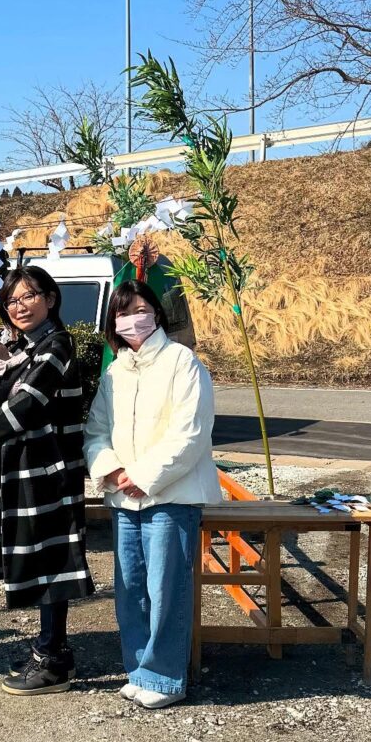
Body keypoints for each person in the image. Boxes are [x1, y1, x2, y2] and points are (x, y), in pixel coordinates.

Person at [83, 279, 222, 709]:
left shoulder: (183, 362)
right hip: (125, 496)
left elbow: (191, 431)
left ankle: (166, 677)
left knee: (167, 588)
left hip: (171, 495)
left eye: (141, 309)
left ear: (156, 314)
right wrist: (114, 469)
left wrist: (145, 474)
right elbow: (96, 431)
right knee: (131, 588)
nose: (132, 319)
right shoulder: (115, 370)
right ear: (114, 322)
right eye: (123, 313)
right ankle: (140, 668)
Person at [0, 266, 94, 695]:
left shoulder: (55, 346)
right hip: (29, 467)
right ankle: (48, 649)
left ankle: (54, 660)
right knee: (41, 558)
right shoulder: (26, 349)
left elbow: (28, 404)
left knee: (51, 561)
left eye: (28, 297)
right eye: (12, 300)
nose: (19, 306)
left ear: (51, 298)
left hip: (50, 469)